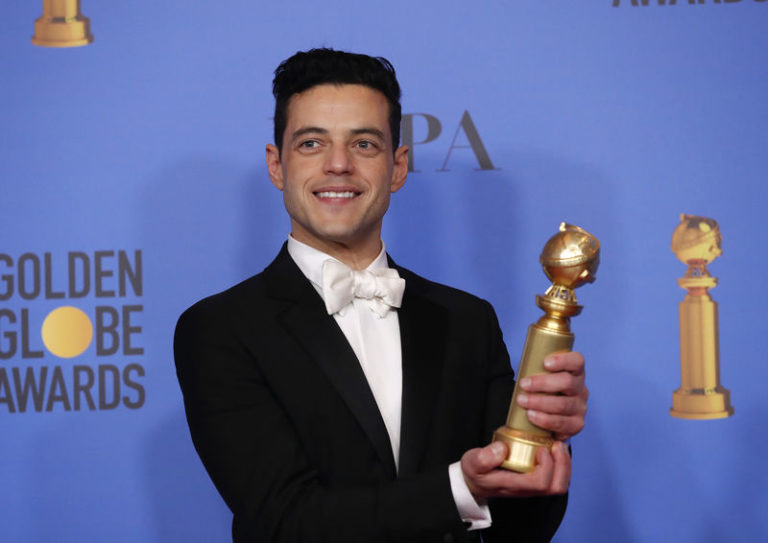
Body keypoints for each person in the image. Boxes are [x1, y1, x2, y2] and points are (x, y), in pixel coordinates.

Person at [174, 48, 588, 543]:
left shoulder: (467, 320)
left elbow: (518, 531)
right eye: (311, 143)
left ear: (397, 167)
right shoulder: (220, 329)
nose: (338, 165)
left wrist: (544, 438)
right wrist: (459, 488)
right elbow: (284, 521)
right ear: (277, 165)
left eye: (364, 144)